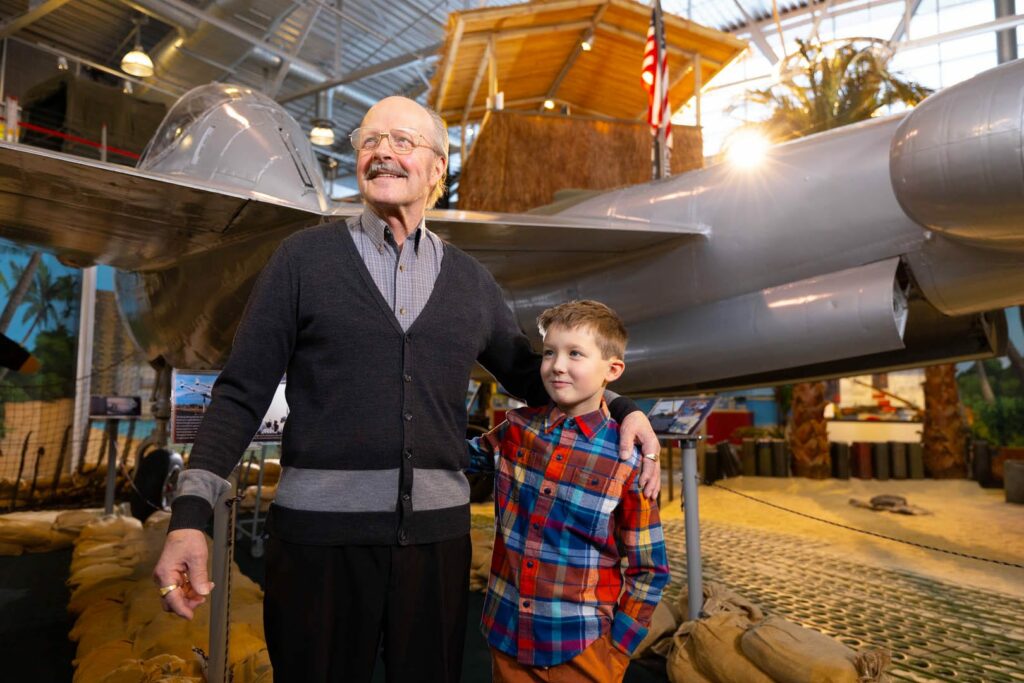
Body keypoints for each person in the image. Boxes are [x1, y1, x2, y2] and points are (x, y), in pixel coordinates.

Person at [153, 96, 662, 683]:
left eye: (401, 141)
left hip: (436, 549)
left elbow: (534, 374)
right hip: (319, 546)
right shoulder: (302, 261)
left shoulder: (471, 282)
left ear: (438, 169)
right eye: (369, 141)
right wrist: (190, 515)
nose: (382, 154)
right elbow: (240, 393)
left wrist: (622, 407)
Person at [468, 300, 670, 682]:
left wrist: (616, 650)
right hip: (507, 636)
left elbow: (649, 569)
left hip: (584, 649)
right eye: (549, 352)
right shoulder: (515, 431)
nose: (557, 365)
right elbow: (460, 456)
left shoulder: (627, 459)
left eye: (575, 353)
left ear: (613, 369)